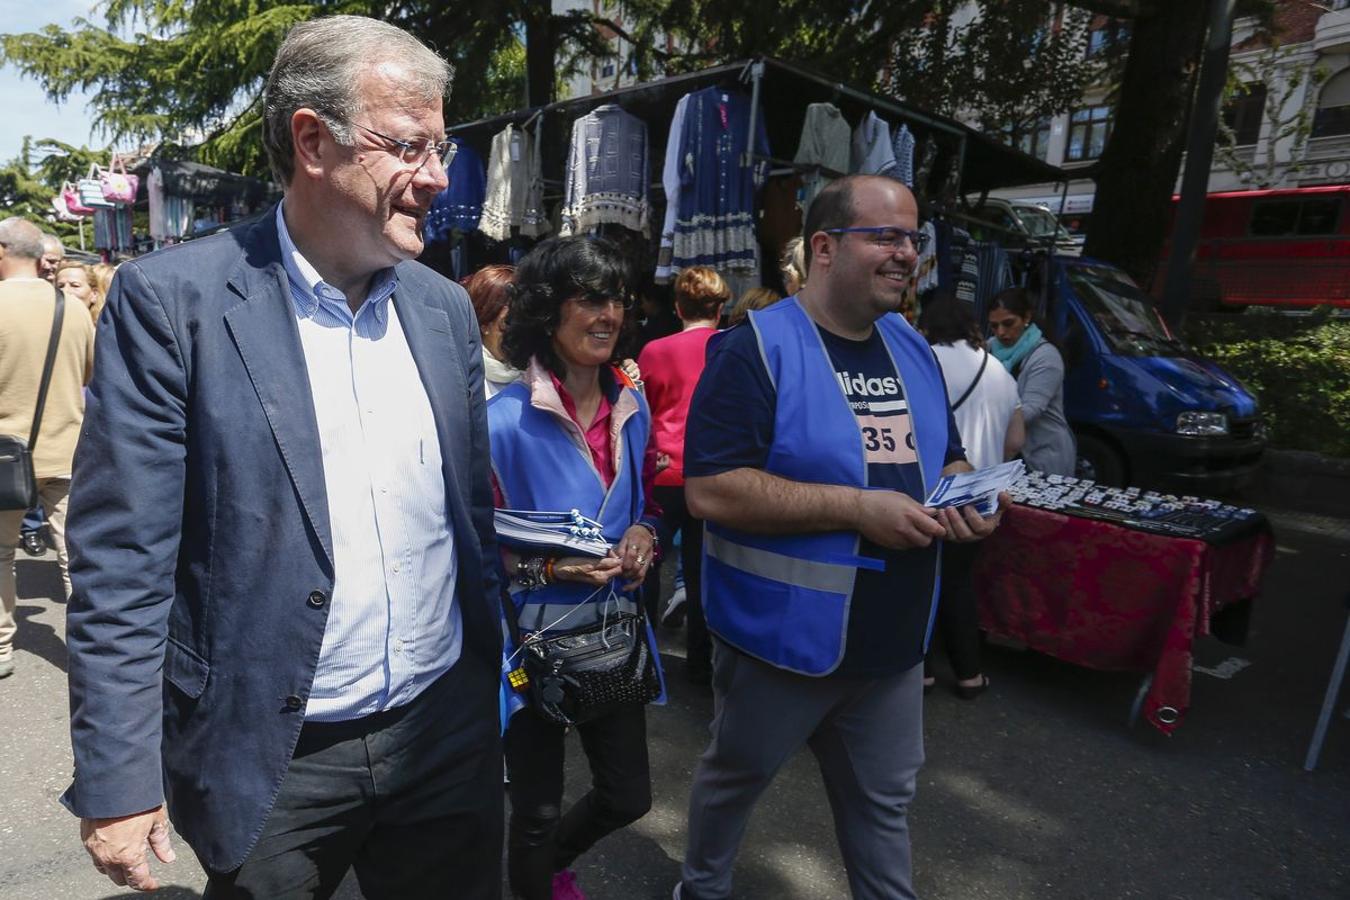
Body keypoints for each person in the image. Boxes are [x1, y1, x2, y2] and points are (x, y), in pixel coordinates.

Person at [63, 16, 505, 897]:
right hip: (272, 751)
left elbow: (468, 519)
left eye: (441, 147)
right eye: (409, 147)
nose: (437, 178)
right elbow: (124, 562)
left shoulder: (443, 309)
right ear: (313, 140)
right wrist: (118, 778)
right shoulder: (172, 304)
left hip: (444, 730)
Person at [676, 175, 1007, 900]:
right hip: (781, 645)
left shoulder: (910, 346)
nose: (906, 254)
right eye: (885, 236)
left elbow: (945, 454)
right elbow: (708, 490)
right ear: (824, 248)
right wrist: (858, 508)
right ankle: (700, 889)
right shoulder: (754, 349)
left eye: (913, 238)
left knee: (884, 806)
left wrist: (969, 492)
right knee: (734, 784)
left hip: (893, 647)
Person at [489, 235, 661, 900]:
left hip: (614, 643)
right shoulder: (500, 422)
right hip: (529, 649)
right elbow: (475, 556)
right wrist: (553, 571)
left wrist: (647, 532)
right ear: (544, 310)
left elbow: (650, 502)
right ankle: (537, 875)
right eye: (589, 299)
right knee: (532, 815)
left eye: (616, 299)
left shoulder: (632, 405)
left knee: (629, 796)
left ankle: (547, 863)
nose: (608, 314)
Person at [0, 217, 95, 680]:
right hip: (67, 448)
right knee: (75, 553)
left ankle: (1, 646)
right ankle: (91, 647)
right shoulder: (70, 307)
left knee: (1, 554)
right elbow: (91, 375)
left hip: (3, 458)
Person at [918, 294, 1024, 698]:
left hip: (930, 491)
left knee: (922, 582)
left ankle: (923, 673)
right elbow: (1016, 440)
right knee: (959, 583)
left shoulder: (921, 361)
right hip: (982, 496)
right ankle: (969, 675)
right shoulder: (998, 370)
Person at [636, 265, 725, 683]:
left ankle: (643, 655)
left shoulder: (655, 351)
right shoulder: (729, 348)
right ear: (721, 308)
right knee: (703, 572)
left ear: (678, 306)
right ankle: (702, 664)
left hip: (664, 472)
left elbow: (642, 411)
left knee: (648, 565)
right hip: (711, 475)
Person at [987, 286, 1076, 476]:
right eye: (994, 326)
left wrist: (984, 422)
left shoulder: (1046, 357)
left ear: (1026, 318)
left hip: (1041, 456)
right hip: (1004, 453)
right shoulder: (988, 348)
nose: (1001, 332)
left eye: (1008, 323)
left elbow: (1031, 410)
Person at [466, 263, 522, 397]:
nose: (517, 332)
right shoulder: (464, 380)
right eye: (508, 323)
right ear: (483, 323)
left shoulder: (537, 379)